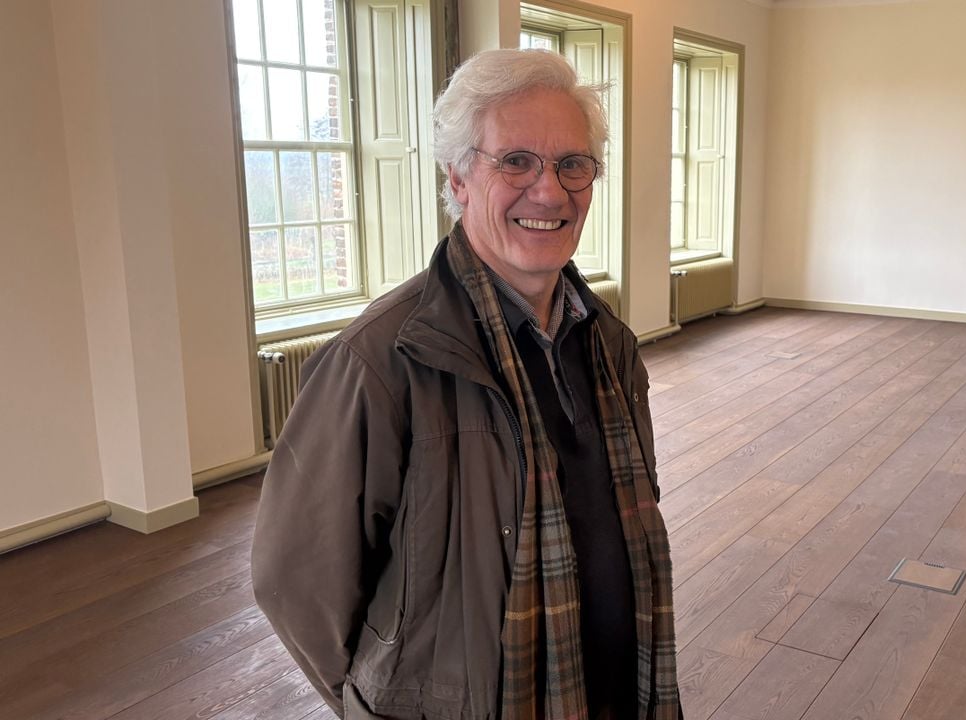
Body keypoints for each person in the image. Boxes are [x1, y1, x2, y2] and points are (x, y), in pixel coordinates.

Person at [250, 49, 681, 720]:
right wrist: (384, 699)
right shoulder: (380, 360)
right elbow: (293, 578)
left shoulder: (609, 342)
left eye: (573, 164)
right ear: (457, 178)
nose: (550, 191)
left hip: (619, 689)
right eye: (516, 161)